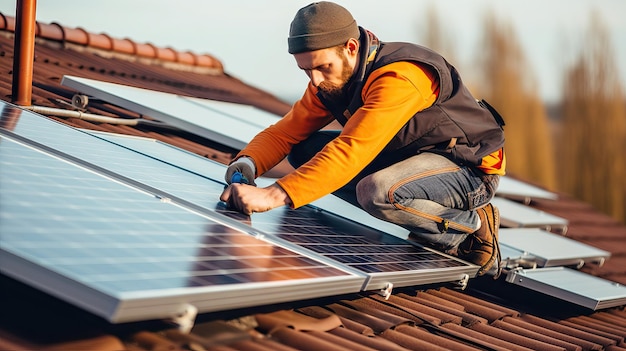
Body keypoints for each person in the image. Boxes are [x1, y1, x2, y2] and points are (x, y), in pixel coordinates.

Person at [220, 1, 506, 277]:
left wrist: (273, 195)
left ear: (351, 48)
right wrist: (248, 162)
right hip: (415, 161)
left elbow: (352, 150)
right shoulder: (333, 83)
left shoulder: (400, 77)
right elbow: (285, 132)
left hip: (468, 170)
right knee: (302, 151)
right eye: (306, 70)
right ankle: (429, 222)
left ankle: (473, 225)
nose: (315, 80)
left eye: (322, 67)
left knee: (377, 192)